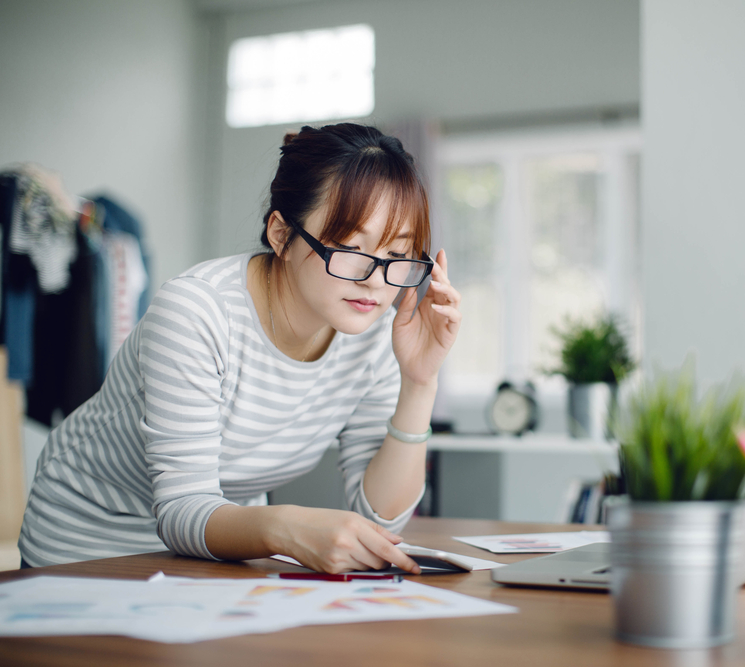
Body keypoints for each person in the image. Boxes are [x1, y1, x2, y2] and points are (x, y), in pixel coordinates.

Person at [18, 123, 461, 574]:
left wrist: (420, 382)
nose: (374, 279)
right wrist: (286, 525)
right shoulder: (197, 312)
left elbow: (381, 516)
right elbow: (182, 509)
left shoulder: (376, 333)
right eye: (350, 247)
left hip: (224, 547)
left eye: (396, 255)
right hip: (89, 541)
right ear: (281, 234)